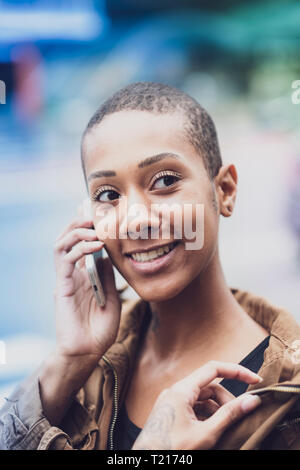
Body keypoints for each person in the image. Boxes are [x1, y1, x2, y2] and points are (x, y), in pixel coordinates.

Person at [1, 81, 300, 450]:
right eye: (108, 195)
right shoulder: (83, 372)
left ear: (224, 191)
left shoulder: (290, 398)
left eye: (164, 181)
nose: (134, 220)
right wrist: (71, 360)